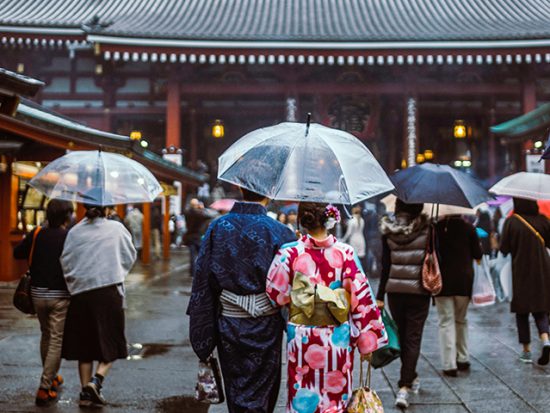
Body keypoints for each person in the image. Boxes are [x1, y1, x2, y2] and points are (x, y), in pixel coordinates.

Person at [266, 203, 387, 412]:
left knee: (302, 395)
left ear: (301, 221)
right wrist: (366, 339)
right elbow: (361, 298)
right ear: (329, 220)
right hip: (337, 336)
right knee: (335, 397)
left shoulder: (289, 252)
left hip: (302, 337)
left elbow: (276, 294)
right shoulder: (346, 253)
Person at [187, 188, 296, 413]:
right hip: (267, 324)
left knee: (236, 386)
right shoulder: (281, 232)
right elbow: (293, 283)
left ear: (240, 190)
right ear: (268, 194)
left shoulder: (218, 227)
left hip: (230, 322)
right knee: (264, 388)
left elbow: (203, 278)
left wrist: (202, 331)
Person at [61, 202, 136, 407]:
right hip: (108, 291)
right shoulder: (117, 229)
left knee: (84, 345)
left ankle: (85, 392)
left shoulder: (75, 232)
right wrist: (115, 270)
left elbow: (65, 259)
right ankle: (97, 380)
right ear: (107, 209)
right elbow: (129, 256)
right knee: (111, 340)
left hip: (81, 293)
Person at [13, 199, 74, 406]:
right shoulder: (69, 237)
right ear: (66, 216)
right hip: (60, 295)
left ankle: (51, 375)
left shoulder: (37, 233)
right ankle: (45, 386)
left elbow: (17, 253)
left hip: (37, 294)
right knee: (56, 338)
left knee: (46, 334)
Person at [376, 198, 430, 409]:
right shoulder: (428, 230)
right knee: (413, 338)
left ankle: (411, 375)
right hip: (419, 292)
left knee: (403, 334)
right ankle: (404, 386)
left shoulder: (388, 229)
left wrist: (380, 295)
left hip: (395, 292)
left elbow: (385, 266)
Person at [500, 197, 550, 365]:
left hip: (521, 270)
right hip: (543, 270)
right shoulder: (543, 220)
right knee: (540, 308)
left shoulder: (512, 222)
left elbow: (504, 249)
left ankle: (526, 351)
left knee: (522, 311)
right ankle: (546, 340)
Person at [434, 214, 483, 376]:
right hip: (464, 282)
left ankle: (449, 364)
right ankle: (463, 358)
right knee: (461, 320)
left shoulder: (436, 229)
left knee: (445, 321)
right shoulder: (469, 229)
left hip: (442, 282)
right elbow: (478, 254)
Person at [183, 198, 214, 276]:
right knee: (202, 254)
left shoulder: (187, 213)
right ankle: (203, 270)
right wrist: (202, 208)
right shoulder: (198, 214)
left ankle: (192, 272)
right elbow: (208, 216)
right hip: (197, 236)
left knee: (192, 255)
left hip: (189, 236)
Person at [342, 205, 367, 271]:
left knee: (355, 259)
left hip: (354, 240)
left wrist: (343, 240)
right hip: (361, 240)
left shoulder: (352, 220)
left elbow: (348, 233)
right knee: (360, 259)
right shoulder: (362, 220)